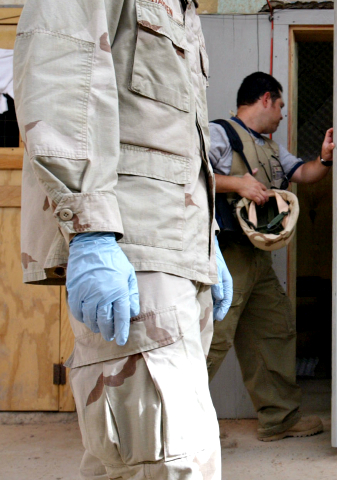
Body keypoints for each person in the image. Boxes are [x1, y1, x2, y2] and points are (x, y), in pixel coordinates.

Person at [14, 1, 232, 478]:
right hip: (133, 250)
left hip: (177, 251)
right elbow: (60, 72)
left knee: (145, 459)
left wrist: (206, 241)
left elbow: (171, 132)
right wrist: (90, 229)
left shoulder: (183, 7)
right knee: (169, 463)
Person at [206, 72, 334, 441]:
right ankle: (172, 425)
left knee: (273, 331)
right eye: (280, 105)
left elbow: (304, 173)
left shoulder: (273, 148)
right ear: (265, 98)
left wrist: (323, 160)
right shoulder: (218, 135)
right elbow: (186, 174)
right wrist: (236, 182)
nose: (282, 114)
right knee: (212, 337)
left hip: (258, 259)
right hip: (225, 255)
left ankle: (280, 418)